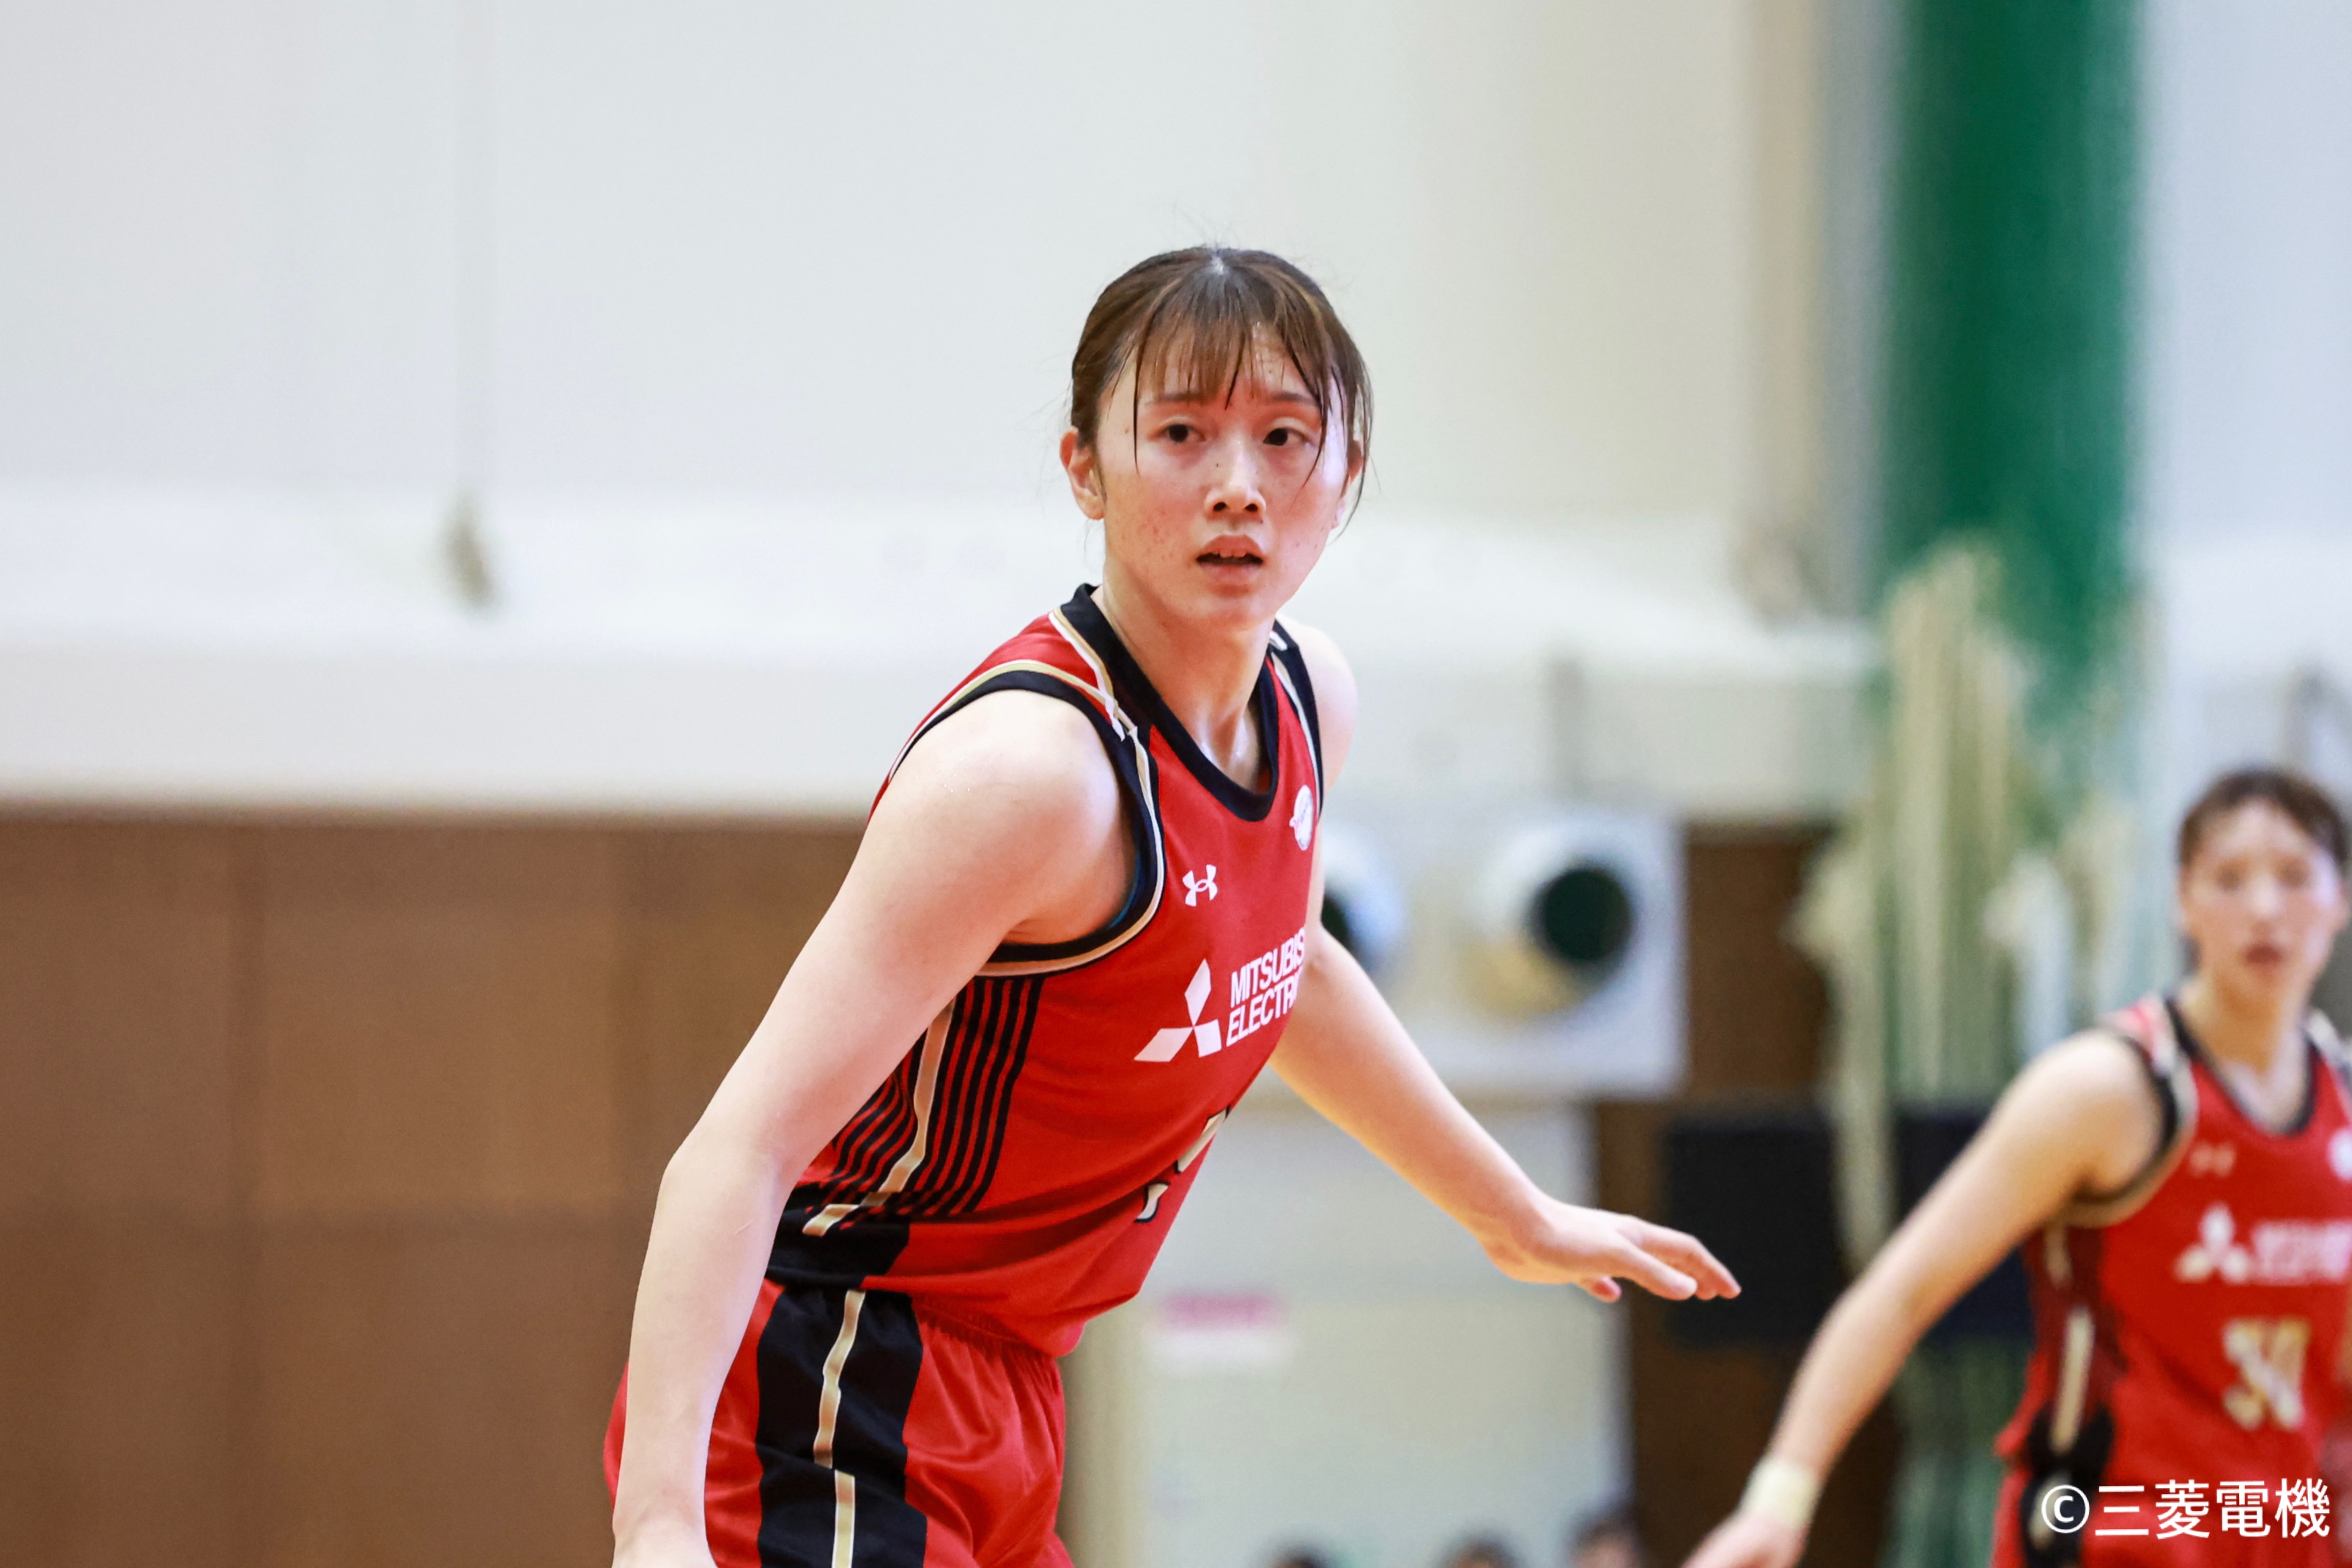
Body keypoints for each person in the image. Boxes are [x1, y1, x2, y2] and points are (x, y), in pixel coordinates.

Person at [604, 247, 1739, 1568]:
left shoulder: (1310, 698)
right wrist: (658, 1525)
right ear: (1085, 469)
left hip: (1007, 1384)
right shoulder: (1032, 777)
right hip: (828, 1372)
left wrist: (1509, 1213)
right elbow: (740, 1149)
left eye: (1283, 438)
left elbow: (1280, 965)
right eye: (1182, 434)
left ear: (1348, 475)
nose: (1236, 484)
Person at [1685, 766, 2352, 1568]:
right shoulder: (2110, 1089)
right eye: (2230, 878)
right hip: (2110, 1530)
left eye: (2294, 876)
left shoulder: (2342, 1104)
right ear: (2182, 901)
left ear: (2340, 900)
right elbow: (1902, 1289)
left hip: (2278, 1528)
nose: (2265, 908)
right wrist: (1779, 1500)